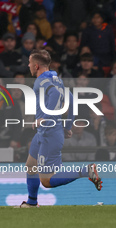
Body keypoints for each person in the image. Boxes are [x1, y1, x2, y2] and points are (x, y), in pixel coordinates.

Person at [18, 50, 102, 208]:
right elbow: (70, 99)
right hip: (47, 132)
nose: (28, 65)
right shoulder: (56, 79)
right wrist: (68, 126)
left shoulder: (40, 81)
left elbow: (56, 95)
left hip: (49, 133)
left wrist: (46, 118)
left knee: (47, 181)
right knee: (30, 165)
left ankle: (85, 171)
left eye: (30, 63)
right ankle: (31, 202)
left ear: (36, 66)